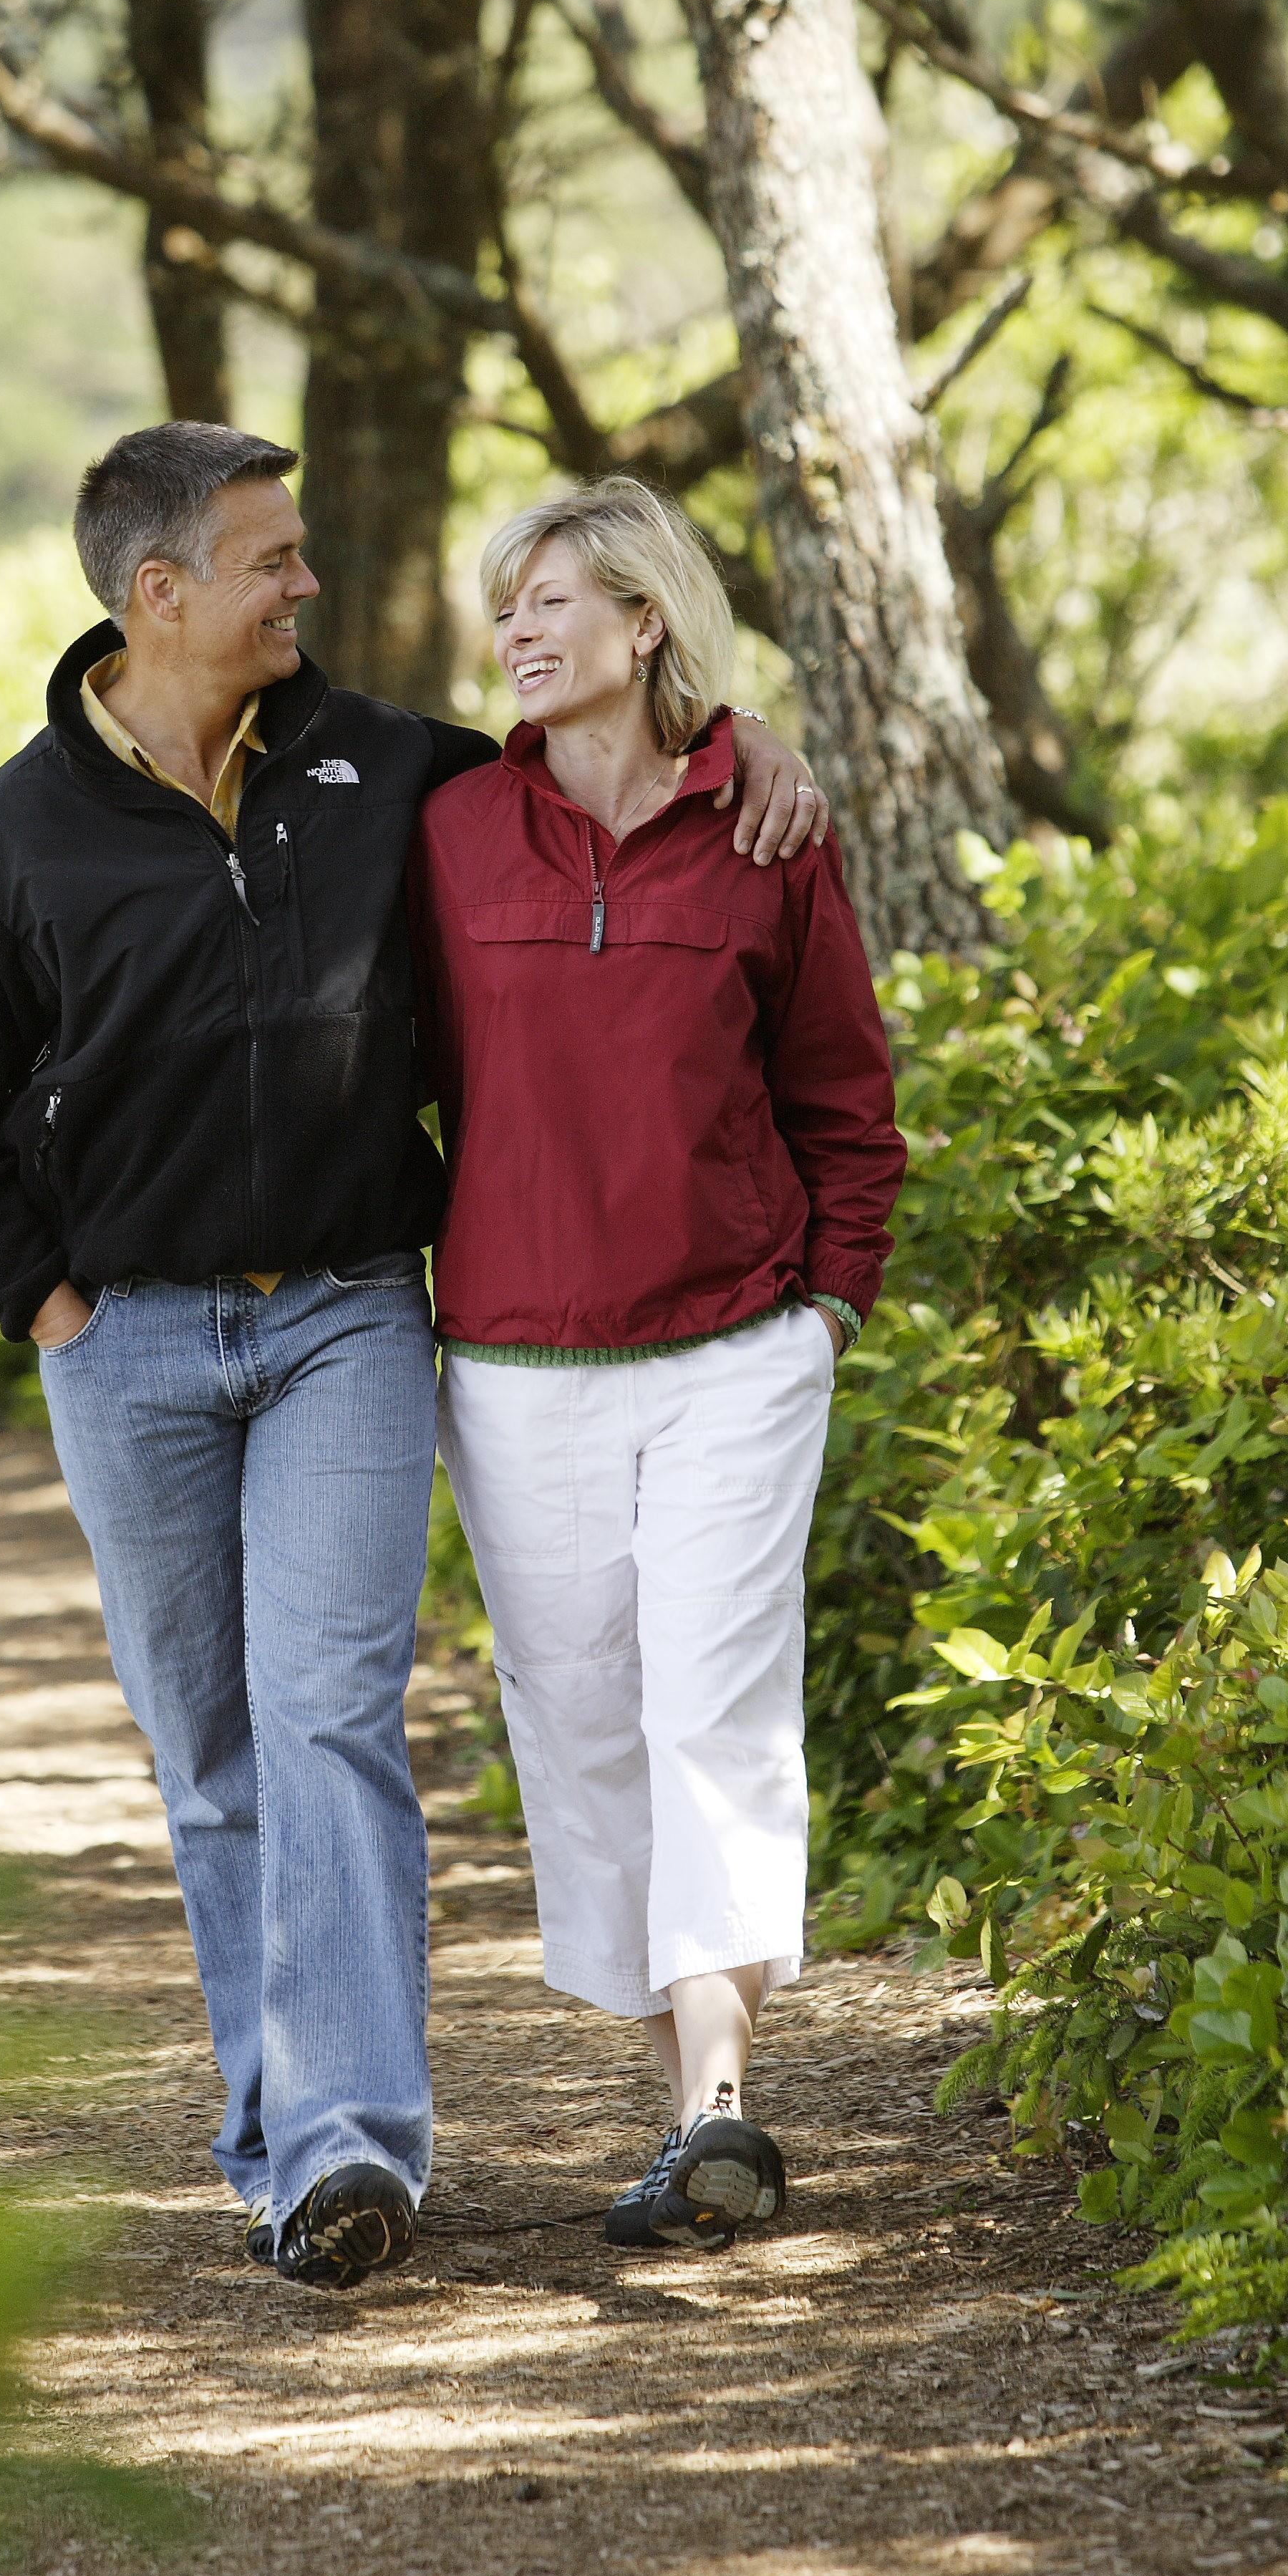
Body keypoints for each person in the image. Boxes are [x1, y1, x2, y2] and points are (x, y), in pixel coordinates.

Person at [0, 423, 830, 2292]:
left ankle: (347, 2150)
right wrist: (48, 1302)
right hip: (122, 1339)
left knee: (326, 1713)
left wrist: (753, 750)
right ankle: (271, 2128)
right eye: (270, 559)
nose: (308, 583)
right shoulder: (14, 835)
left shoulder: (390, 775)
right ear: (159, 596)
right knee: (212, 1748)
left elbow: (609, 778)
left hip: (346, 1318)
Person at [410, 476, 905, 2255]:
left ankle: (716, 2103)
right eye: (506, 608)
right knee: (580, 1728)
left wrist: (822, 1310)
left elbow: (845, 1098)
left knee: (713, 1710)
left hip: (729, 1354)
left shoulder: (764, 834)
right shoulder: (446, 825)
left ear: (646, 624)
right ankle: (673, 2107)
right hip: (515, 1362)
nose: (521, 632)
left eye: (556, 602)